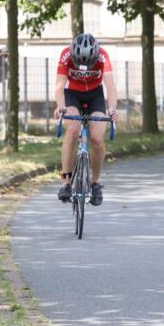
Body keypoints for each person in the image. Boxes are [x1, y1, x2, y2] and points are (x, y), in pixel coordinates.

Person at [54, 33, 119, 206]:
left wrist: (112, 109)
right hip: (72, 94)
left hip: (94, 95)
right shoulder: (66, 54)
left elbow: (111, 87)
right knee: (72, 130)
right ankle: (65, 182)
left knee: (97, 139)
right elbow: (59, 86)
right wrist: (60, 107)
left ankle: (95, 183)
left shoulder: (103, 55)